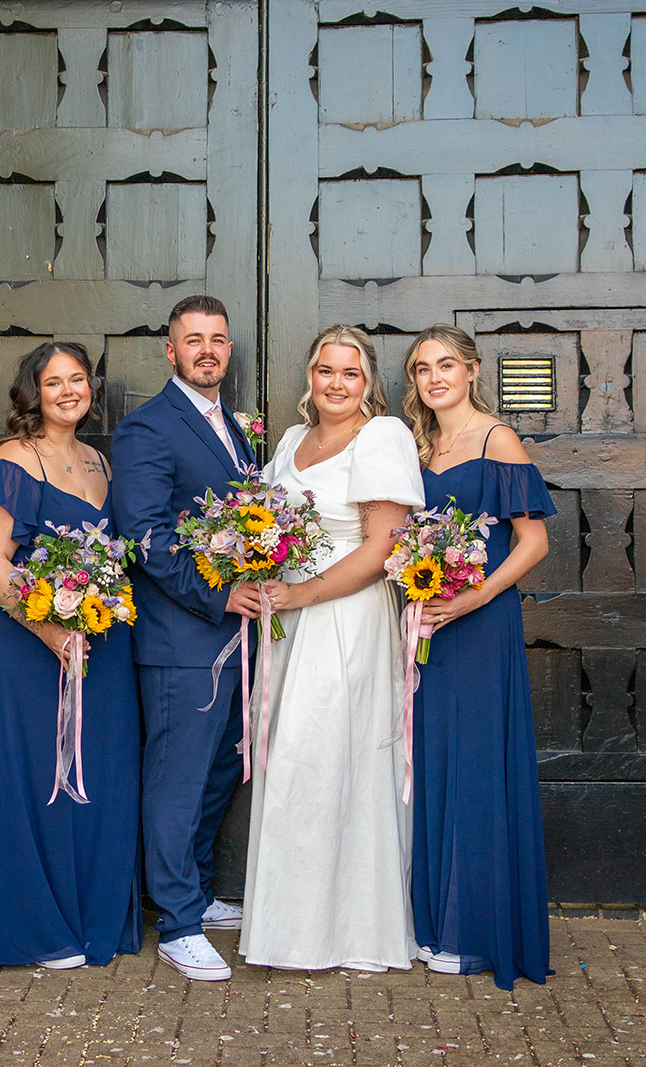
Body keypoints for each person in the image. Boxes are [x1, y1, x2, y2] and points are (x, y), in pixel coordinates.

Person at [0, 341, 141, 973]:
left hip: (94, 637)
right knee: (25, 777)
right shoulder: (12, 461)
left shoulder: (99, 463)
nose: (70, 391)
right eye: (55, 382)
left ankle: (79, 914)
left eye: (79, 380)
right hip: (20, 641)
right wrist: (47, 628)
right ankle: (28, 927)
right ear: (34, 393)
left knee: (88, 774)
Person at [240, 324, 425, 971]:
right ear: (310, 376)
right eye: (325, 370)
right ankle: (285, 928)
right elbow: (260, 522)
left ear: (368, 381)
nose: (336, 383)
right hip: (289, 618)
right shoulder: (292, 440)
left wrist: (305, 593)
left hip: (343, 619)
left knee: (327, 762)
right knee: (288, 766)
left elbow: (382, 549)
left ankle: (345, 931)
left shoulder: (382, 438)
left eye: (350, 373)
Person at [111, 295, 262, 982]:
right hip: (181, 638)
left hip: (236, 639)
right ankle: (175, 921)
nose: (207, 349)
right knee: (177, 779)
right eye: (192, 339)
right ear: (169, 351)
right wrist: (217, 592)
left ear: (229, 351)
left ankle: (196, 887)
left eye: (218, 339)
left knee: (220, 770)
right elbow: (146, 535)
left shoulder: (232, 427)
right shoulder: (147, 428)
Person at [402, 323, 553, 989]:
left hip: (480, 623)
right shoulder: (421, 446)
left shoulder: (498, 440)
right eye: (420, 369)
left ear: (470, 370)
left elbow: (534, 541)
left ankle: (475, 929)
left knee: (477, 764)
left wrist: (474, 598)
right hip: (428, 621)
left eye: (444, 365)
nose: (433, 377)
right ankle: (433, 921)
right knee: (433, 762)